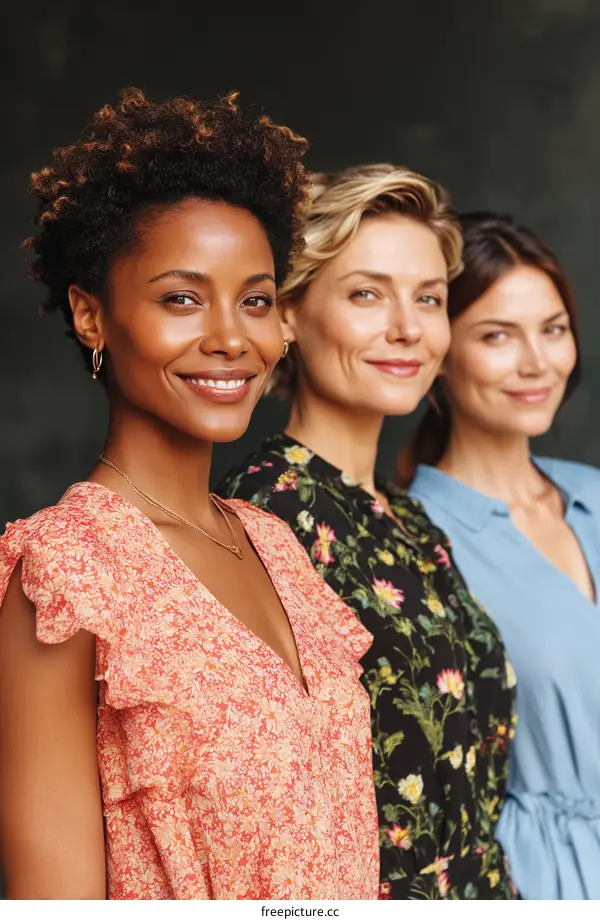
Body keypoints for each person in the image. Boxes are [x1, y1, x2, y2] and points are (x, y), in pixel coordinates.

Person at [0, 89, 380, 901]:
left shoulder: (274, 542)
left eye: (256, 299)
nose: (231, 336)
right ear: (91, 316)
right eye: (181, 297)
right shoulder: (65, 573)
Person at [219, 166, 517, 899]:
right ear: (286, 313)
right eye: (365, 294)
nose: (408, 328)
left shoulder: (411, 520)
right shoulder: (263, 520)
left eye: (429, 299)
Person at [406, 211, 599, 900]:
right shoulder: (414, 543)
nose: (536, 362)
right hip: (535, 881)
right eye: (496, 336)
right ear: (438, 352)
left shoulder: (596, 495)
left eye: (552, 329)